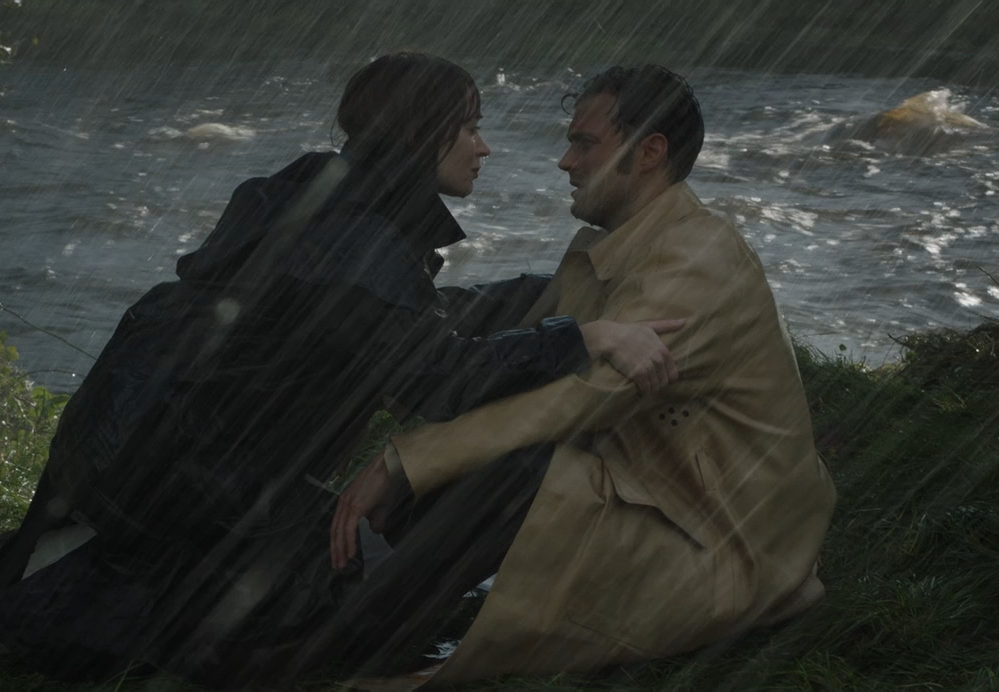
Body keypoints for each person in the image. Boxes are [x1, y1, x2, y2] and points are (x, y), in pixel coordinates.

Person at [0, 53, 680, 688]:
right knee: (377, 561)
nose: (485, 146)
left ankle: (80, 563)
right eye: (470, 126)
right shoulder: (360, 241)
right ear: (425, 132)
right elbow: (441, 379)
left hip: (155, 461)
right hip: (201, 490)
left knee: (335, 553)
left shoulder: (313, 197)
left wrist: (541, 292)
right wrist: (585, 336)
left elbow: (396, 323)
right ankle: (77, 593)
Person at [327, 65, 838, 686]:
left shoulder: (697, 262)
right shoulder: (619, 240)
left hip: (727, 546)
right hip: (659, 495)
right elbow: (515, 356)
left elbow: (578, 400)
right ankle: (362, 598)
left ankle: (356, 641)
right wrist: (379, 322)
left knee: (516, 466)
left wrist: (401, 460)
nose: (566, 161)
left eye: (585, 144)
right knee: (477, 439)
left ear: (649, 153)